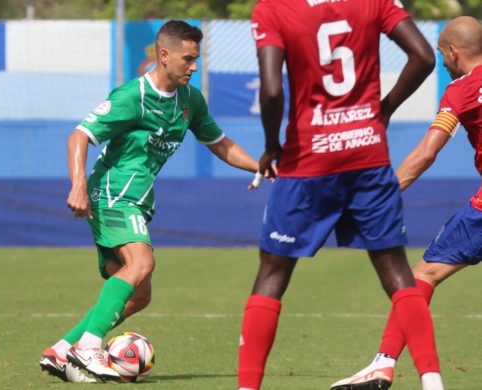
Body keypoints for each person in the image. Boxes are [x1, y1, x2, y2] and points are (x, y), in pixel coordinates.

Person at [238, 1, 446, 390]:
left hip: (307, 161)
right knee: (397, 271)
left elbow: (270, 91)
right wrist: (382, 110)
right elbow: (422, 56)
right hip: (368, 154)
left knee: (272, 272)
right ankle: (432, 381)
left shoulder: (273, 9)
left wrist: (271, 146)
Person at [38, 19, 260, 383]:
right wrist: (77, 184)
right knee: (142, 261)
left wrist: (260, 166)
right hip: (114, 193)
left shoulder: (190, 101)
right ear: (164, 55)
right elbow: (78, 136)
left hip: (137, 201)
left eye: (196, 59)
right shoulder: (133, 97)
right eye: (188, 59)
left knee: (140, 294)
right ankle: (89, 346)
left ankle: (63, 350)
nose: (194, 66)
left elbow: (220, 143)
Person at [330, 15, 482, 390]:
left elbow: (428, 152)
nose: (445, 64)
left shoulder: (461, 90)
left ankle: (382, 365)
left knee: (421, 276)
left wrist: (383, 193)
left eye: (443, 57)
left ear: (451, 52)